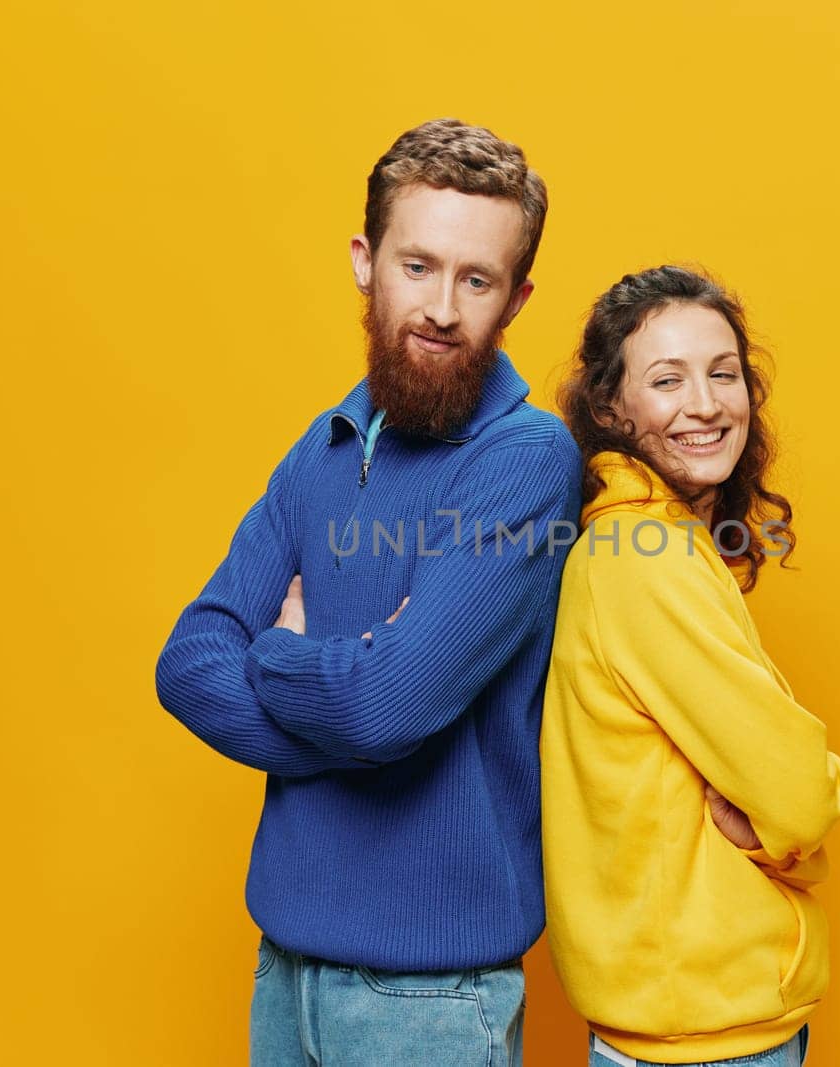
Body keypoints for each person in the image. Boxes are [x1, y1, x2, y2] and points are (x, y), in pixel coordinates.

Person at [155, 118, 582, 1066]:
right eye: (416, 265)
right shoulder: (325, 445)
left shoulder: (524, 460)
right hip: (284, 971)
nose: (440, 306)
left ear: (515, 298)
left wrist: (278, 651)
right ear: (365, 261)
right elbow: (187, 662)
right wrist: (353, 702)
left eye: (477, 279)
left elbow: (391, 706)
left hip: (428, 1002)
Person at [541, 265, 840, 1066]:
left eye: (723, 373)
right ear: (610, 409)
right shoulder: (645, 560)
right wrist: (806, 819)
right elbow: (797, 792)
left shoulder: (654, 542)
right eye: (668, 380)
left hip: (686, 1020)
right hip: (702, 1037)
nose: (707, 404)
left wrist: (780, 822)